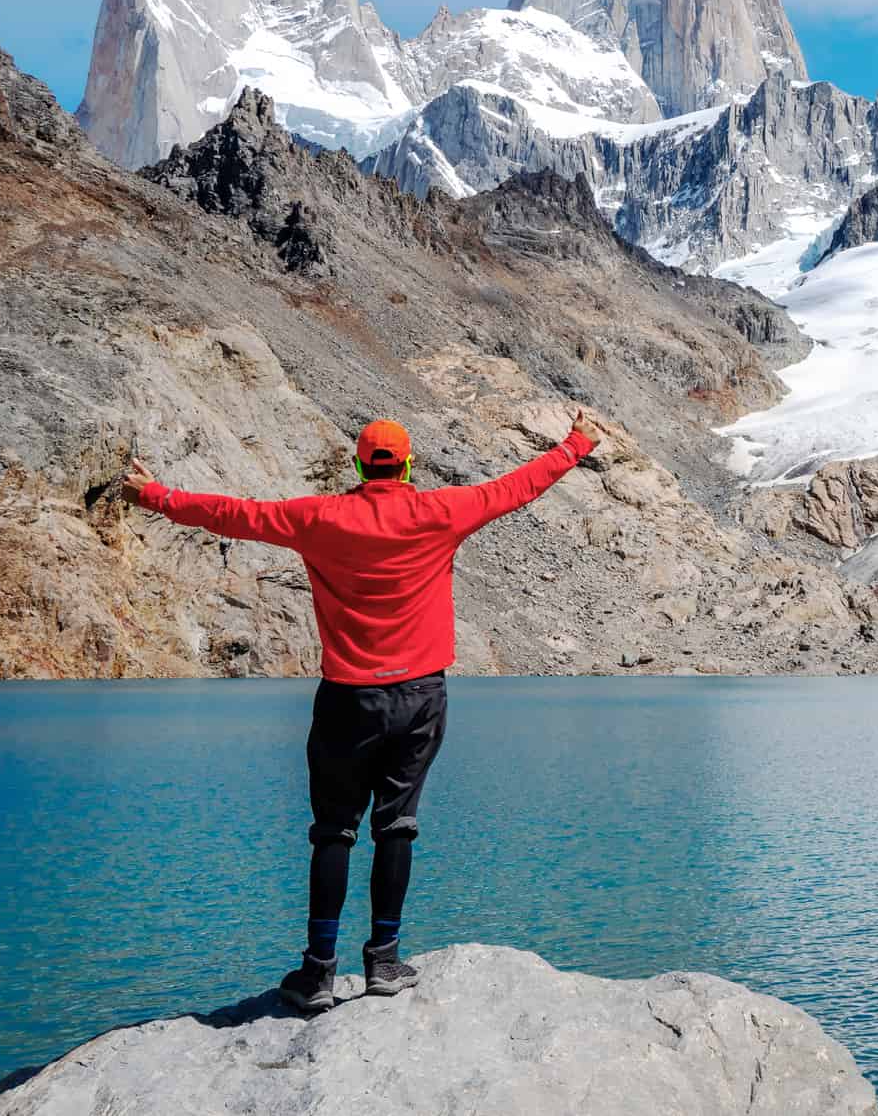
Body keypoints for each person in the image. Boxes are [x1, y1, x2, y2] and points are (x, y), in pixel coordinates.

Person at [120, 408, 603, 1014]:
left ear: (358, 464)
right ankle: (384, 961)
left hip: (346, 700)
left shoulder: (317, 518)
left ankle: (318, 972)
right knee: (396, 826)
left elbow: (234, 514)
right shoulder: (441, 511)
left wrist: (156, 495)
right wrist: (576, 443)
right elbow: (517, 487)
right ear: (408, 465)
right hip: (420, 697)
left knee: (334, 832)